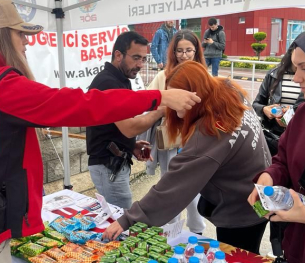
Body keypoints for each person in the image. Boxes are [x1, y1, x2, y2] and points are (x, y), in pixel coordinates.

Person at [0, 0, 201, 263]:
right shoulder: (0, 85)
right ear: (1, 35)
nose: (26, 42)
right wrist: (159, 97)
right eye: (20, 34)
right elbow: (79, 105)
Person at [104, 61, 271, 254]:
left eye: (178, 98)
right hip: (254, 193)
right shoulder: (228, 90)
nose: (173, 106)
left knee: (239, 256)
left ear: (196, 94)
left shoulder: (211, 130)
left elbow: (174, 186)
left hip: (240, 209)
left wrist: (128, 219)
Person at [248, 27, 305, 263]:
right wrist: (269, 177)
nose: (296, 78)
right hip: (296, 243)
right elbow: (283, 159)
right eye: (295, 69)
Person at [86, 31, 175, 210]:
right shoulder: (108, 83)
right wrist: (161, 111)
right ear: (118, 55)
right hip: (108, 166)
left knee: (118, 220)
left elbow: (115, 125)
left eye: (143, 59)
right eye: (136, 58)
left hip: (113, 163)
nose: (140, 64)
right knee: (120, 222)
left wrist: (129, 145)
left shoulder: (121, 80)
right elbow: (129, 127)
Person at [138, 30, 206, 234]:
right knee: (169, 185)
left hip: (196, 141)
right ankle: (171, 230)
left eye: (188, 50)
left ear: (196, 51)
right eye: (179, 51)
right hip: (170, 140)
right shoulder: (163, 75)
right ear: (173, 52)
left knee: (195, 188)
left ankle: (196, 230)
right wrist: (165, 108)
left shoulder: (204, 76)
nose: (184, 55)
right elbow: (147, 101)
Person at [253, 32, 305, 156]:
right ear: (292, 50)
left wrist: (293, 117)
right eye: (299, 51)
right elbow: (256, 104)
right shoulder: (274, 74)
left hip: (300, 137)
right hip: (275, 135)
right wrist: (264, 110)